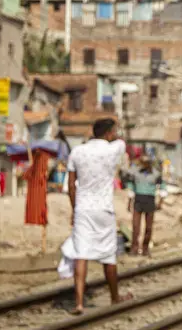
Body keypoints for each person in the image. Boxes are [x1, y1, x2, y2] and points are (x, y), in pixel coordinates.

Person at [58, 118, 132, 314]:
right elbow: (122, 141)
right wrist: (118, 133)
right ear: (108, 133)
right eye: (113, 131)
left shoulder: (77, 151)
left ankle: (79, 303)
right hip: (104, 209)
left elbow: (71, 185)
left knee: (81, 254)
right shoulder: (114, 149)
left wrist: (75, 209)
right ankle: (114, 297)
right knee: (109, 256)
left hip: (83, 208)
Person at [126, 154, 166, 256]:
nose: (142, 165)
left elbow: (162, 186)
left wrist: (160, 201)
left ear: (149, 164)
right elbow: (131, 186)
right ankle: (134, 248)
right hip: (138, 200)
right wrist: (129, 202)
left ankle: (145, 248)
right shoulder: (136, 173)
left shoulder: (156, 174)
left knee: (148, 227)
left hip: (150, 200)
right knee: (136, 226)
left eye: (144, 163)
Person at [22, 148, 53, 254]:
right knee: (40, 216)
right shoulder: (37, 170)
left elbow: (26, 175)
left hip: (40, 194)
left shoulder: (37, 169)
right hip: (39, 195)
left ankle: (43, 246)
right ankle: (42, 245)